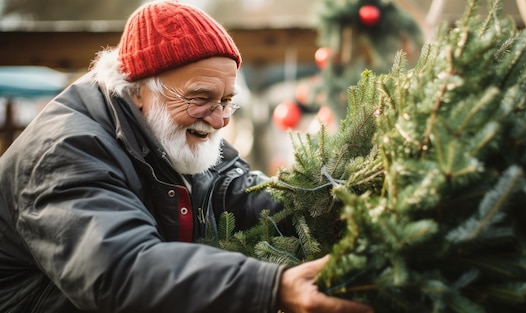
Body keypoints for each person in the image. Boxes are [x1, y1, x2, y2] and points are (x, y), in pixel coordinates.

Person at [0, 1, 373, 312]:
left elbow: (243, 192)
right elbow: (121, 270)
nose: (221, 119)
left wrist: (345, 200)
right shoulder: (64, 153)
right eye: (201, 99)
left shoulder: (174, 138)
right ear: (137, 92)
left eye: (228, 101)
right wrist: (271, 286)